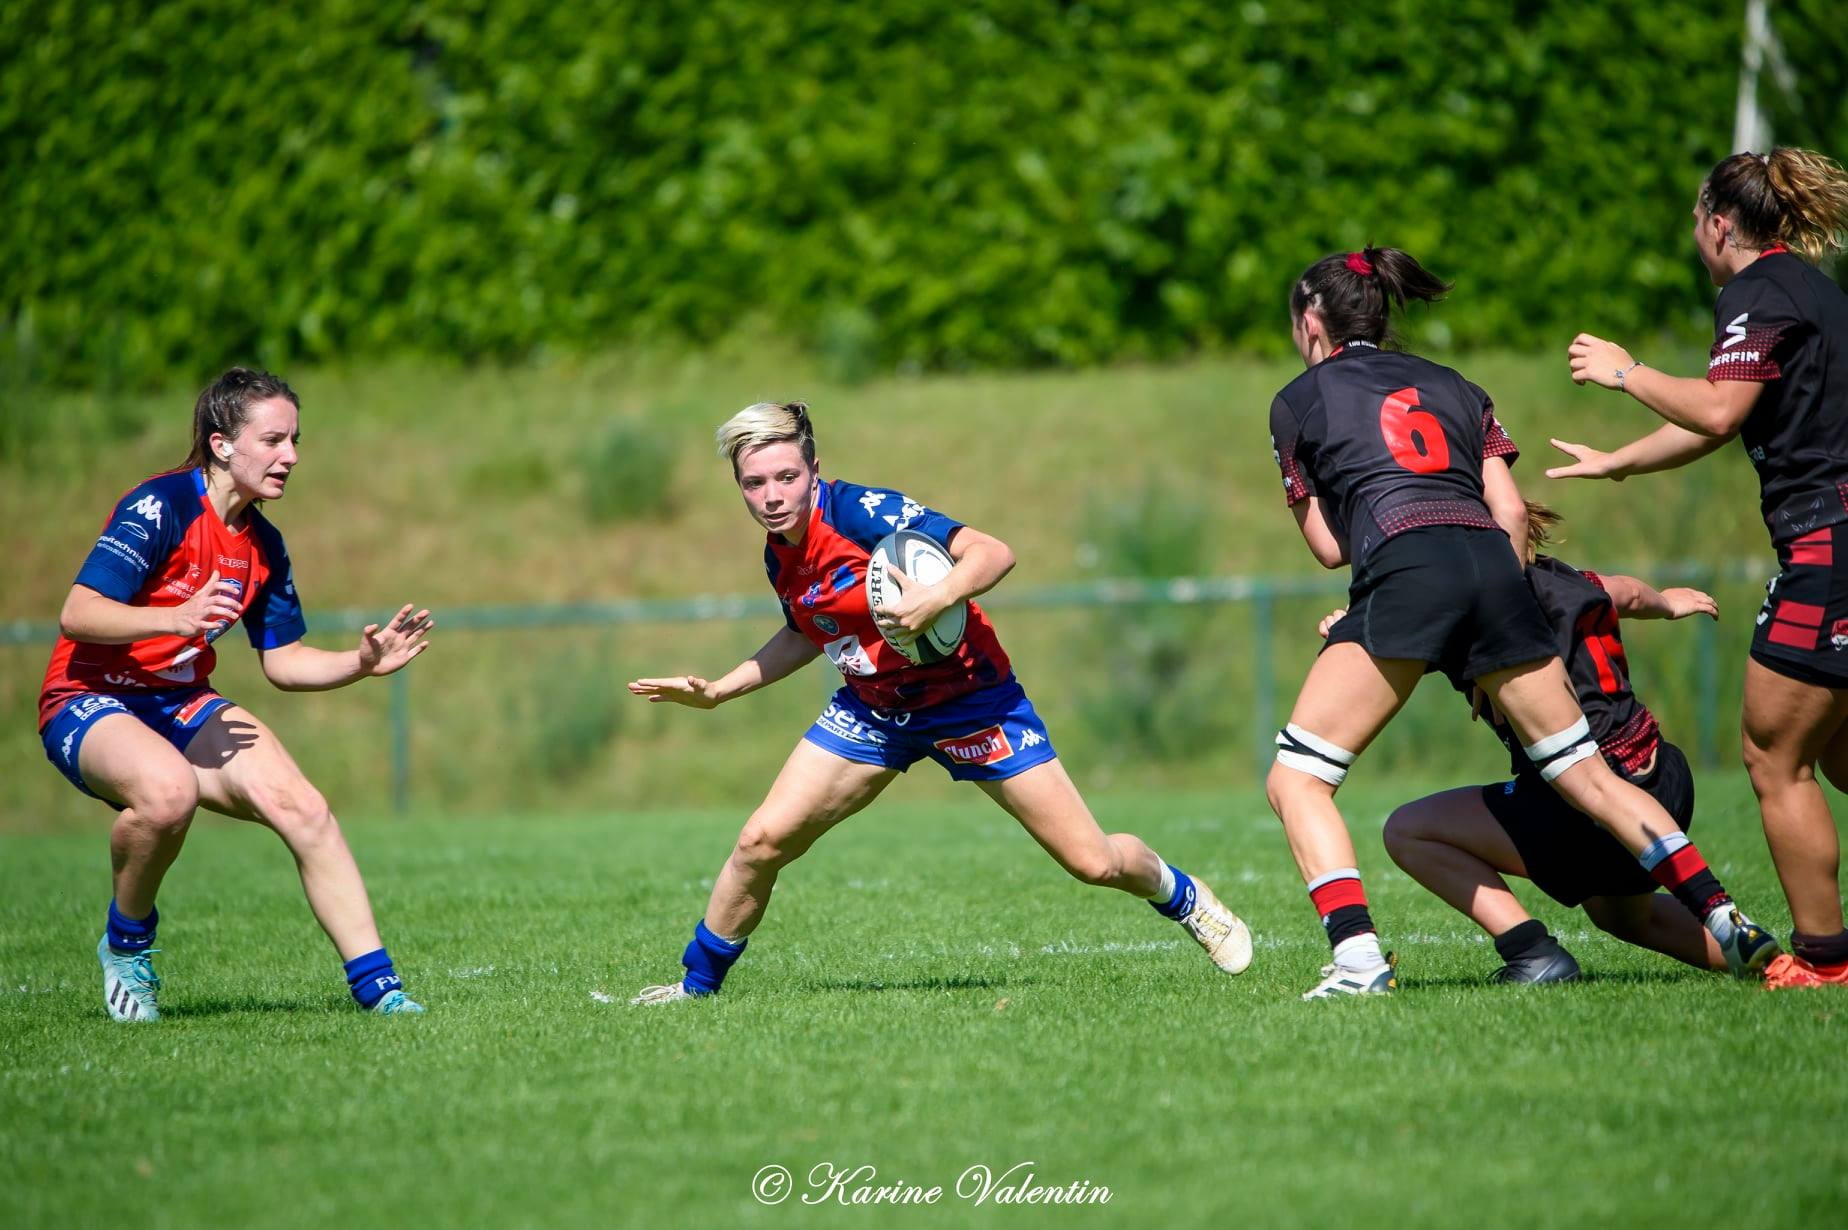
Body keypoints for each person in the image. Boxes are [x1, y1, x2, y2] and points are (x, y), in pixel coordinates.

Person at [1266, 245, 1778, 1000]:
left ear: (1312, 320)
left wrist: (1400, 582)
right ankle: (1722, 911)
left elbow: (1327, 547)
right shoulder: (1456, 384)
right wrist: (1486, 612)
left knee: (1298, 778)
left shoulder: (1298, 399)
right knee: (1587, 775)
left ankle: (1357, 964)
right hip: (1494, 567)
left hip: (1410, 567)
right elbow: (1508, 511)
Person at [626, 401, 1250, 1003]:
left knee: (1093, 863)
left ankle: (1183, 896)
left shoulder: (862, 511)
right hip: (875, 711)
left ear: (814, 469)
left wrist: (936, 597)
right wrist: (718, 690)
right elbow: (804, 633)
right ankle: (695, 988)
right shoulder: (780, 553)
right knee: (760, 841)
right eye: (754, 483)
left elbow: (992, 552)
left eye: (787, 477)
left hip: (973, 702)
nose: (771, 495)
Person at [38, 368, 433, 1021]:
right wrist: (172, 618)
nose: (292, 456)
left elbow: (283, 662)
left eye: (296, 439)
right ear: (222, 444)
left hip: (178, 700)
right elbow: (78, 611)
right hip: (87, 695)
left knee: (303, 808)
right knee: (168, 793)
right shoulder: (160, 505)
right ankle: (127, 946)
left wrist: (361, 663)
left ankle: (381, 991)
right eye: (274, 439)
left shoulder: (264, 545)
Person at [1553, 147, 1848, 989]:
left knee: (1773, 755)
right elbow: (1723, 418)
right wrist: (1619, 463)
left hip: (1828, 541)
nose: (1694, 236)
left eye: (1695, 221)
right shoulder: (1811, 289)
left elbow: (1717, 408)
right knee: (1838, 756)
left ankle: (1826, 964)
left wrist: (1628, 373)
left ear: (1720, 222)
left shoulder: (1756, 293)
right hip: (1838, 535)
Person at [1322, 505, 1728, 982]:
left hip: (1588, 803)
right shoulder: (1572, 578)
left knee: (1408, 831)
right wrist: (1668, 601)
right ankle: (1764, 958)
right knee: (1625, 916)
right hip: (1662, 777)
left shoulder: (1472, 613)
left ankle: (1533, 953)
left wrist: (1346, 631)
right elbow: (1629, 592)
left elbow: (1392, 649)